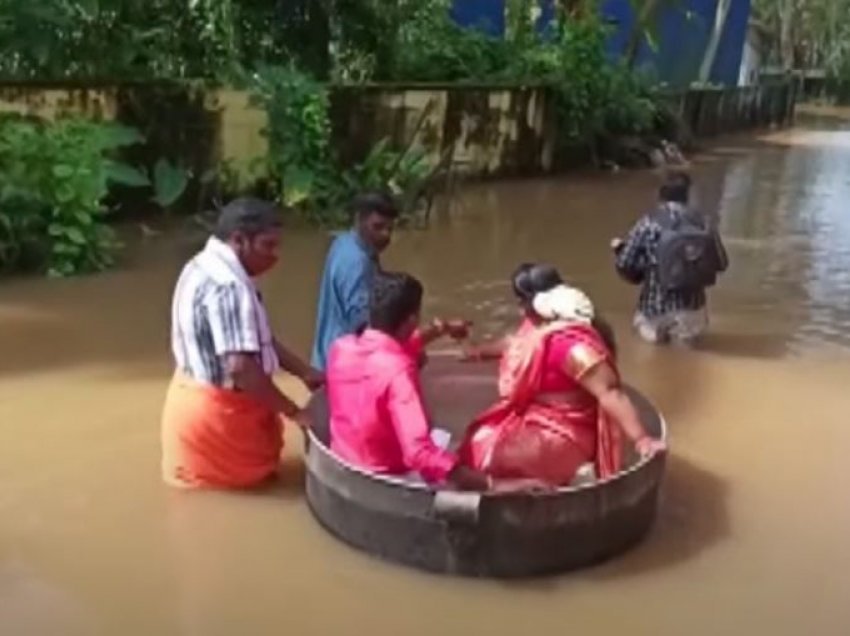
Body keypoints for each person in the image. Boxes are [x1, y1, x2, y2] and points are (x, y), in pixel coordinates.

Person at [161, 198, 323, 489]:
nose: (276, 257)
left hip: (190, 403)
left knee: (207, 493)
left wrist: (304, 371)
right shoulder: (229, 286)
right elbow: (241, 367)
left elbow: (259, 340)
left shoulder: (201, 265)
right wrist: (294, 412)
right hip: (219, 420)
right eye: (268, 246)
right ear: (239, 240)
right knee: (252, 492)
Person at [327, 270, 538, 491]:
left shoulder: (341, 348)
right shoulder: (398, 369)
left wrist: (443, 328)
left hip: (344, 465)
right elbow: (419, 452)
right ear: (411, 320)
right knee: (458, 456)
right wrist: (494, 485)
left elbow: (401, 343)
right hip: (387, 479)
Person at [458, 264, 666, 487]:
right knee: (479, 439)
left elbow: (610, 393)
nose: (520, 310)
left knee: (494, 459)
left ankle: (539, 487)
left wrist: (642, 440)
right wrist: (477, 352)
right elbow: (515, 344)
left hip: (568, 427)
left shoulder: (571, 346)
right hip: (538, 415)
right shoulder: (541, 326)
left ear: (539, 303)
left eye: (522, 301)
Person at [612, 171, 726, 345]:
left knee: (650, 362)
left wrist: (619, 249)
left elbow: (626, 264)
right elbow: (721, 263)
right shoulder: (703, 222)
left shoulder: (649, 223)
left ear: (661, 195)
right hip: (692, 310)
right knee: (689, 363)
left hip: (654, 310)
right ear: (687, 196)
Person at [311, 192, 398, 371]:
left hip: (327, 353)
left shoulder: (344, 243)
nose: (385, 235)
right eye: (378, 227)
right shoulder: (357, 262)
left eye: (390, 229)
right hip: (344, 364)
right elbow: (362, 325)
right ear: (359, 220)